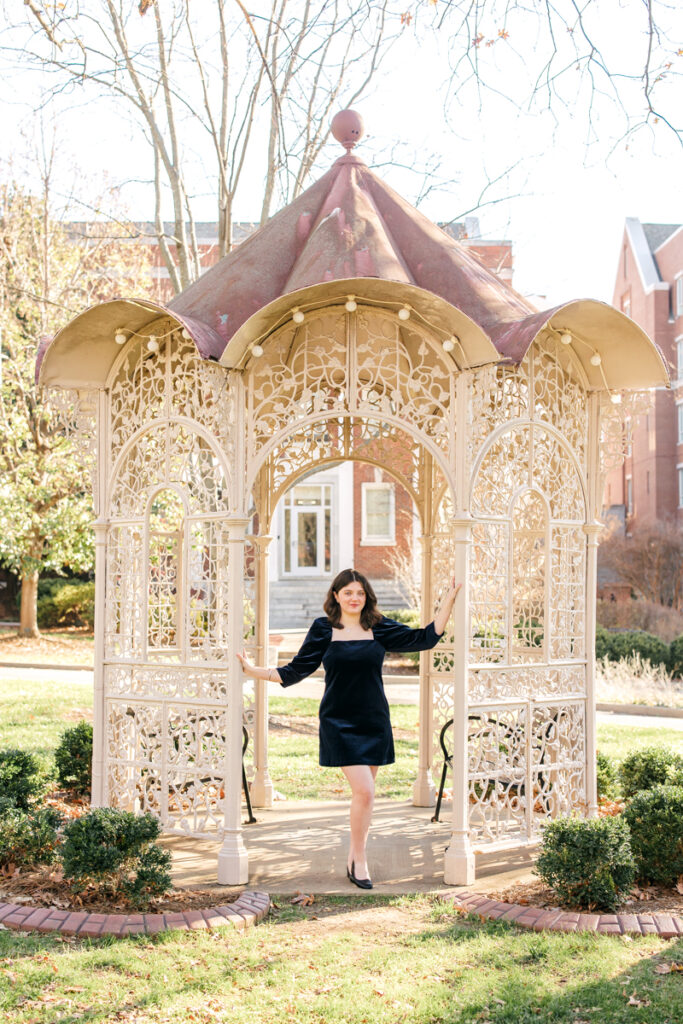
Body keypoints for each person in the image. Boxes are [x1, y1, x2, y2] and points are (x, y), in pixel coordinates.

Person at [237, 568, 461, 889]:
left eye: (360, 593)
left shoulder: (378, 627)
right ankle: (360, 859)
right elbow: (295, 671)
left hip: (374, 721)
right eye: (348, 593)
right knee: (365, 791)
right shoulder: (323, 629)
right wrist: (252, 670)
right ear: (336, 596)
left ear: (366, 596)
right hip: (338, 721)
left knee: (364, 798)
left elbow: (425, 637)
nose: (354, 598)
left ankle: (354, 857)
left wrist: (450, 598)